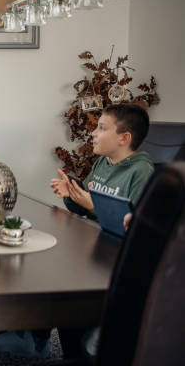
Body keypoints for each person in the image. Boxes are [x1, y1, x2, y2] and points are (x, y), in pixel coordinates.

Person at [49, 103, 154, 359]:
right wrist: (71, 194)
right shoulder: (102, 163)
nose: (93, 133)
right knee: (59, 278)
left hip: (116, 257)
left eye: (102, 128)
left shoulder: (142, 172)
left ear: (124, 138)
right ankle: (67, 350)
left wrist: (90, 204)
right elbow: (86, 206)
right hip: (93, 246)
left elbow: (135, 228)